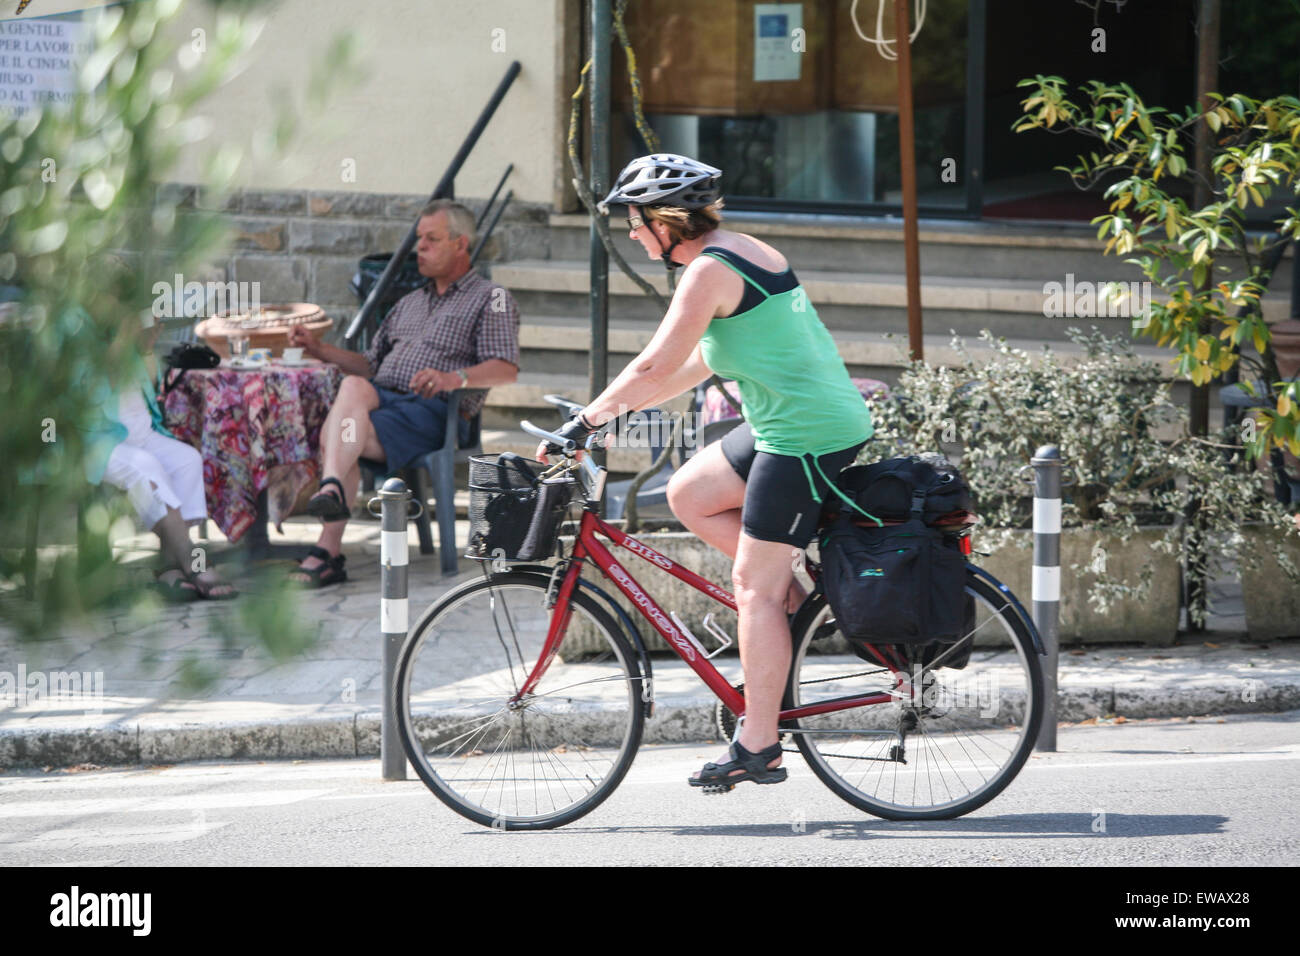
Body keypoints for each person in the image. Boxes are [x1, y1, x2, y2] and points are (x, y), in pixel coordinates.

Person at [535, 153, 872, 791]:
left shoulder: (710, 270)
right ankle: (791, 604)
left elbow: (653, 364)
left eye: (636, 222)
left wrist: (586, 422)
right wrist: (609, 415)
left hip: (805, 436)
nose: (633, 235)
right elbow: (694, 364)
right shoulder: (733, 251)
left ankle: (760, 745)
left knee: (752, 586)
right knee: (688, 492)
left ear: (667, 221)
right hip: (792, 422)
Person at [286, 199, 520, 587]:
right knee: (352, 392)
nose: (419, 248)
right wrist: (318, 349)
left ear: (460, 244)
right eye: (418, 240)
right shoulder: (409, 303)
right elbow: (370, 366)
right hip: (382, 402)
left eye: (431, 239)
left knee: (342, 429)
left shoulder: (489, 298)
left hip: (433, 413)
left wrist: (452, 379)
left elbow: (506, 370)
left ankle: (326, 549)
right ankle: (330, 503)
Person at [100, 326, 237, 601]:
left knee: (188, 460)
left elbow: (151, 384)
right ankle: (192, 561)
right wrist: (121, 343)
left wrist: (146, 346)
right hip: (100, 441)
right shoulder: (78, 325)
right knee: (147, 467)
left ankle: (167, 568)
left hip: (142, 435)